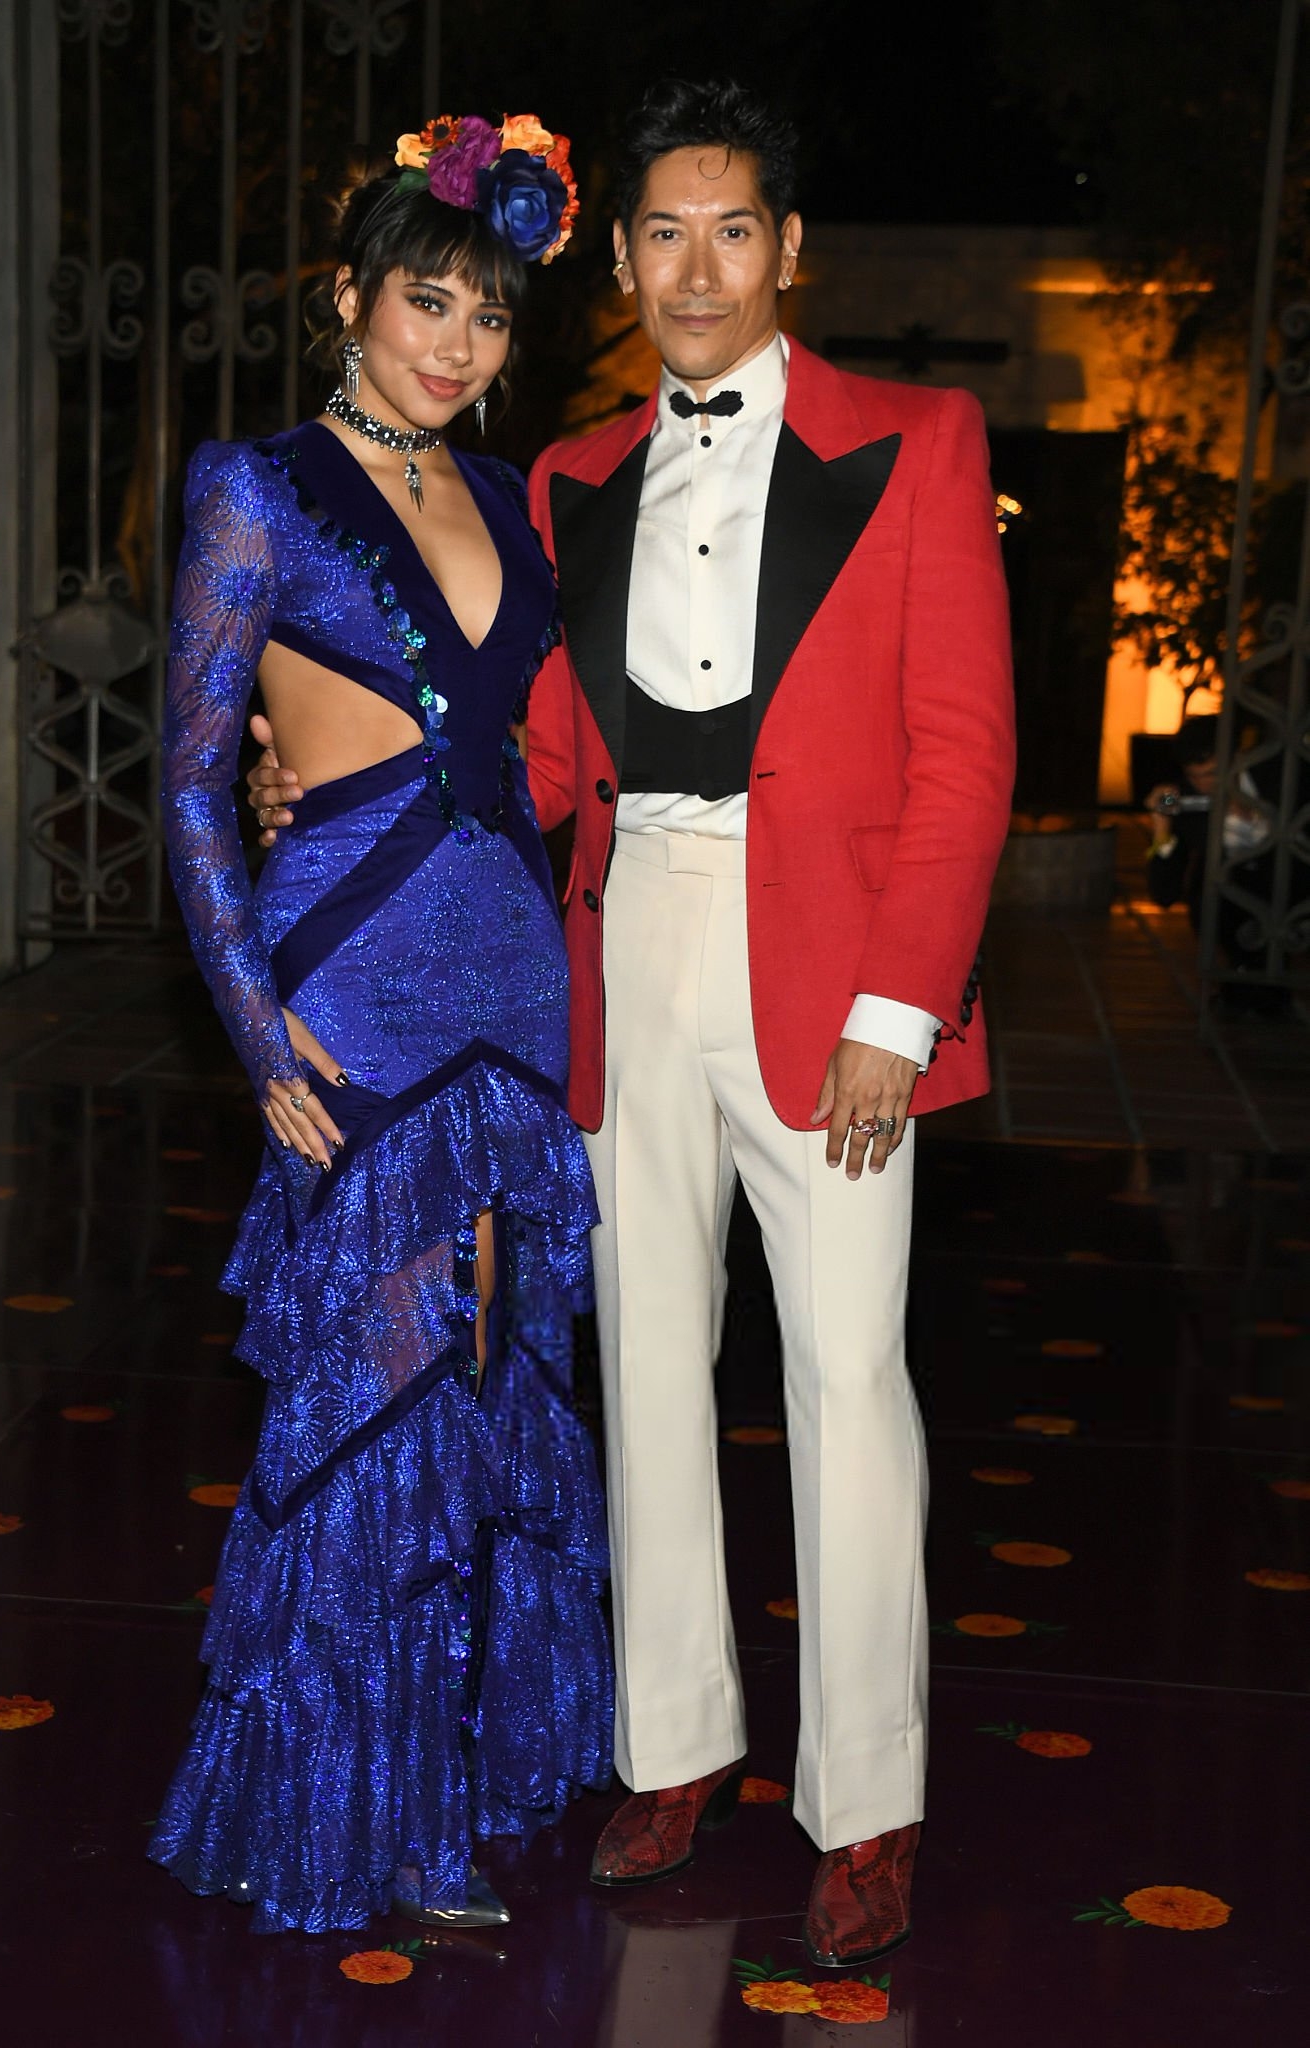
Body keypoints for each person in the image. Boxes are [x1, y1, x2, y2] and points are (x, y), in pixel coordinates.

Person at [251, 79, 1015, 1968]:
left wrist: (898, 1010)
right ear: (619, 257)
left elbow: (965, 752)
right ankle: (672, 1745)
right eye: (664, 233)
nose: (697, 269)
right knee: (647, 1363)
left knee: (848, 1374)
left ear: (788, 250)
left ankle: (868, 1797)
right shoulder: (572, 477)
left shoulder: (920, 440)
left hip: (840, 965)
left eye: (732, 231)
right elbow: (518, 751)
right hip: (623, 938)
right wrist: (321, 782)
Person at [148, 114, 611, 1936]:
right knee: (378, 1391)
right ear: (349, 296)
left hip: (512, 984)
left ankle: (445, 1778)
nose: (455, 344)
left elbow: (527, 752)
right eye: (428, 301)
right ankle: (358, 1812)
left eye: (488, 317)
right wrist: (259, 1033)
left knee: (486, 1385)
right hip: (350, 985)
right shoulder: (256, 488)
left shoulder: (509, 498)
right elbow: (194, 782)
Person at [1143, 713, 1283, 1011]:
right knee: (1211, 893)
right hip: (1228, 899)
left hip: (1285, 886)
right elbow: (1164, 893)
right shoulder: (1182, 796)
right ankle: (1242, 982)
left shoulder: (1275, 775)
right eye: (1195, 776)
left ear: (1238, 757)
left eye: (1214, 773)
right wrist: (1161, 828)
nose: (1205, 784)